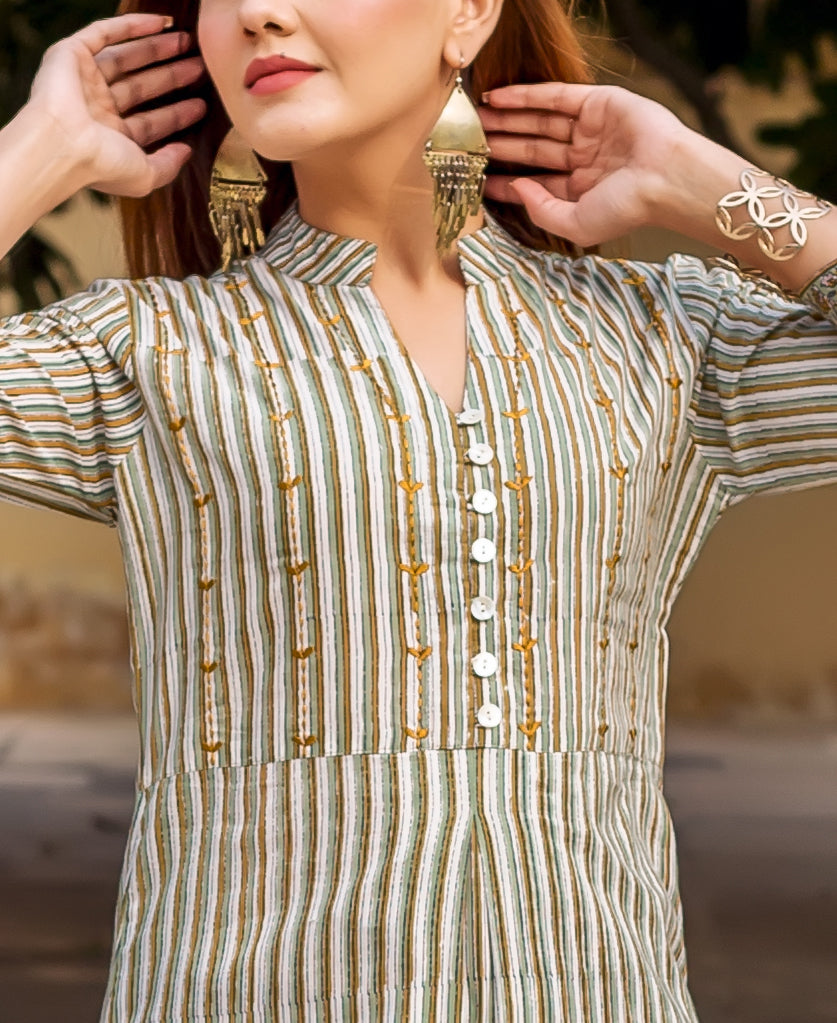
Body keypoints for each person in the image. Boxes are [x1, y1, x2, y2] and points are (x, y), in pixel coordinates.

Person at [1, 0, 835, 1019]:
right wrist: (41, 148)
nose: (260, 13)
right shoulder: (142, 353)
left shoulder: (663, 340)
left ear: (469, 13)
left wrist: (706, 183)